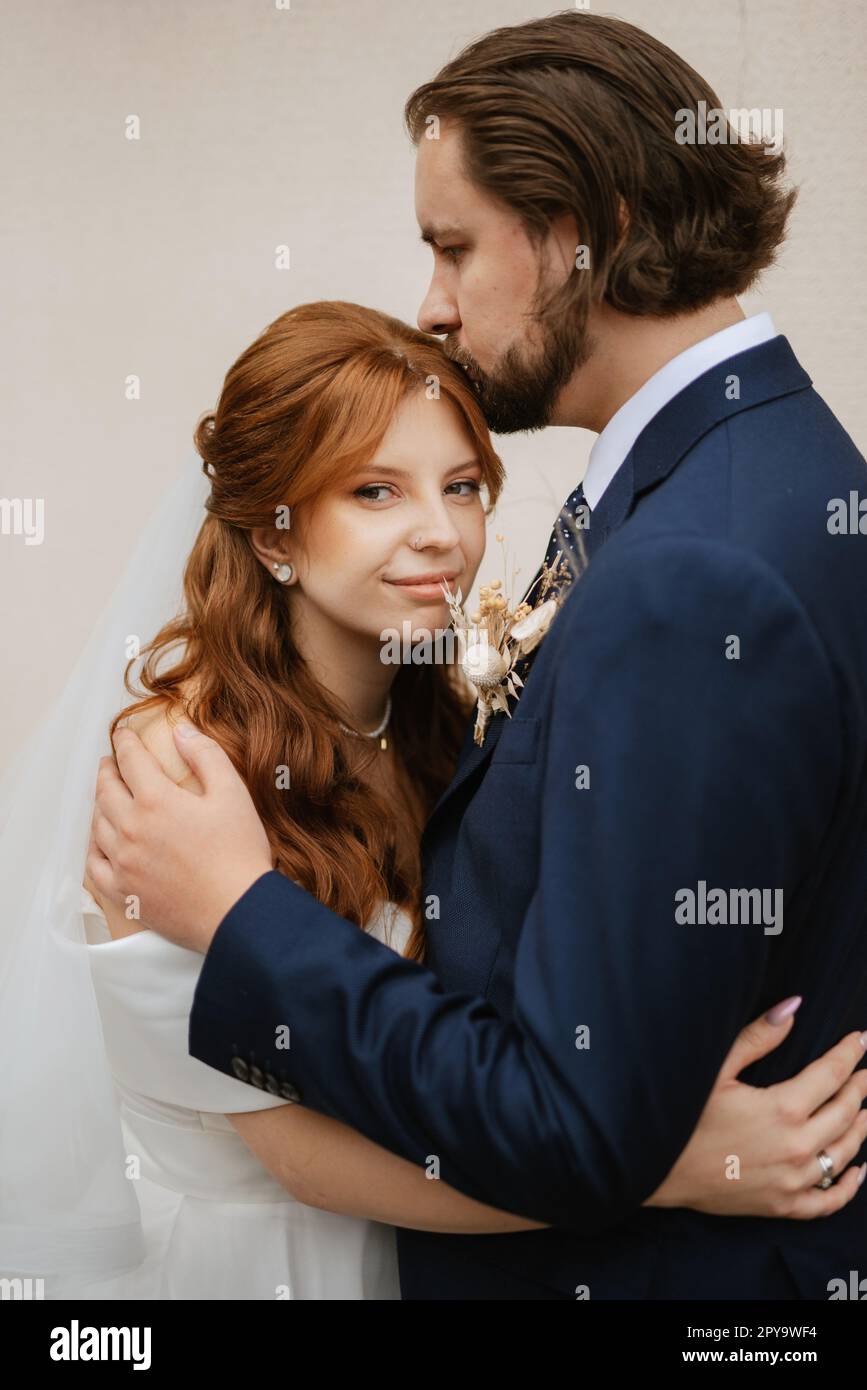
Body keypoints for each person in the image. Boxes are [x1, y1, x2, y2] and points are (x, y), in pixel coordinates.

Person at [89, 14, 867, 1299]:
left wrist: (240, 914)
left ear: (589, 232)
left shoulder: (690, 571)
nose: (434, 303)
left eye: (453, 247)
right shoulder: (782, 473)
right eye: (375, 492)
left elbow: (573, 1119)